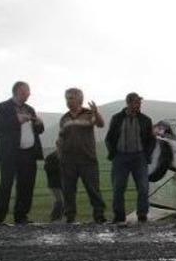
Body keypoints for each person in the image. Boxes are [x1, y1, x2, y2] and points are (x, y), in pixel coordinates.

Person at [0, 81, 44, 225]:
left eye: (28, 92)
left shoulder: (30, 108)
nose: (27, 95)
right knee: (6, 183)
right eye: (24, 92)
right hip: (10, 152)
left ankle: (21, 216)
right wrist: (17, 120)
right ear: (16, 91)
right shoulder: (1, 107)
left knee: (26, 184)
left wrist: (39, 124)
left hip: (29, 152)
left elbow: (38, 130)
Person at [105, 92, 155, 223]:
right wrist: (113, 153)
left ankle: (142, 214)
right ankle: (119, 216)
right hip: (121, 157)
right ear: (128, 103)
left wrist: (146, 155)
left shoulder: (146, 120)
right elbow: (109, 138)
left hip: (139, 157)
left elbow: (151, 140)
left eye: (139, 102)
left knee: (143, 187)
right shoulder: (117, 118)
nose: (138, 105)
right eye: (136, 102)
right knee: (118, 187)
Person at [58, 87, 106, 223]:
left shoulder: (89, 113)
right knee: (68, 191)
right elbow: (61, 138)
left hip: (87, 159)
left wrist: (96, 113)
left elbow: (101, 124)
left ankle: (99, 216)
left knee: (93, 189)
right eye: (67, 99)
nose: (68, 101)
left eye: (71, 98)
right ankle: (70, 217)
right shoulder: (64, 118)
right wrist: (60, 154)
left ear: (80, 99)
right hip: (68, 160)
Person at [44, 150, 64, 222]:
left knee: (59, 201)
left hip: (61, 183)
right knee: (60, 201)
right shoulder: (51, 157)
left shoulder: (64, 155)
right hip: (54, 183)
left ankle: (56, 217)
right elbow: (47, 168)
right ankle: (55, 218)